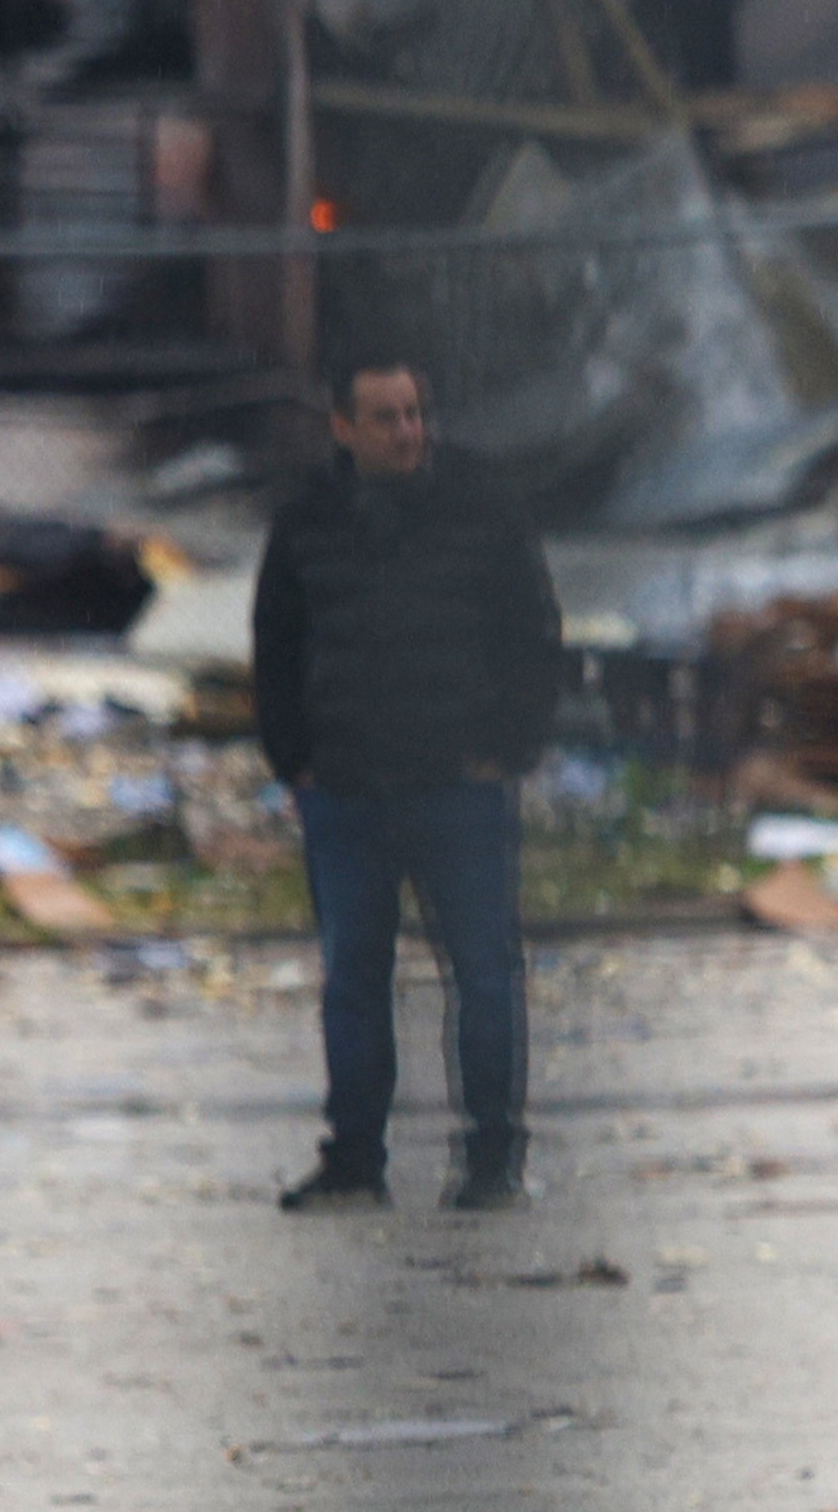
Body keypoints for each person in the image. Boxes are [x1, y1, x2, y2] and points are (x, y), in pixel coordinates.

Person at [253, 360, 566, 1213]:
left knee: (484, 975)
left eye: (417, 413)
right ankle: (355, 1157)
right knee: (354, 978)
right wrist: (297, 761)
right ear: (343, 429)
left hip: (457, 788)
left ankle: (493, 1156)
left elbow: (534, 636)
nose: (408, 432)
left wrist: (506, 749)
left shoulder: (482, 507)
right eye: (386, 417)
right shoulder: (308, 522)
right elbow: (276, 646)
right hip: (347, 789)